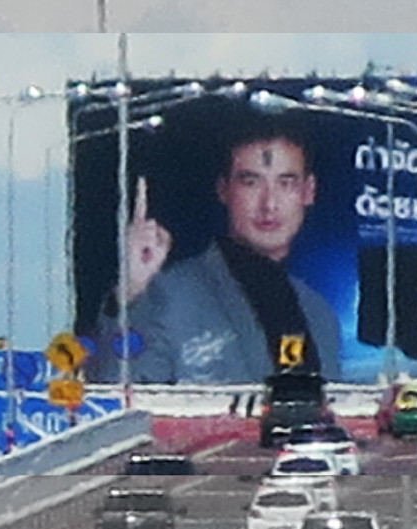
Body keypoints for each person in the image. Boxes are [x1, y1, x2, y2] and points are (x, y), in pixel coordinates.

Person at [89, 114, 343, 389]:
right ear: (223, 190)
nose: (269, 204)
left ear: (309, 191)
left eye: (286, 183)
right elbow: (116, 398)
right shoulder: (167, 296)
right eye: (251, 182)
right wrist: (129, 294)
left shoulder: (319, 315)